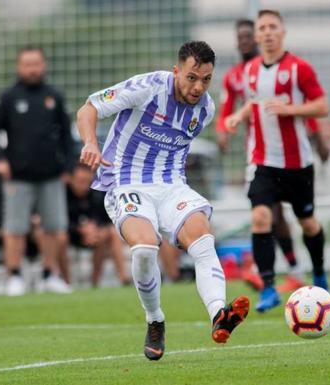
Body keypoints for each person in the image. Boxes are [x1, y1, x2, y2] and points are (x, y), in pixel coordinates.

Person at [77, 41, 249, 361]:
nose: (198, 87)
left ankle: (218, 315)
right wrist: (90, 142)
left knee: (202, 238)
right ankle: (155, 320)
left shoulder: (206, 110)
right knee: (144, 249)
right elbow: (88, 108)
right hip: (126, 181)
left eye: (206, 79)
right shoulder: (148, 87)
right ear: (176, 71)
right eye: (191, 77)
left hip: (171, 186)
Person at [225, 9, 330, 313]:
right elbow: (253, 103)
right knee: (261, 218)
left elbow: (322, 106)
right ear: (257, 36)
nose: (268, 32)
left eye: (273, 27)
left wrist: (291, 110)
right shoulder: (249, 72)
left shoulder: (300, 69)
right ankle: (269, 288)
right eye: (263, 28)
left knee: (307, 223)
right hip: (262, 160)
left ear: (282, 32)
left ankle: (320, 273)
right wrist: (237, 116)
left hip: (297, 163)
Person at [0, 45, 74, 296]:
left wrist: (68, 166)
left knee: (53, 227)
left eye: (36, 63)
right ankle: (14, 276)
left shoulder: (54, 96)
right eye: (27, 64)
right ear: (19, 66)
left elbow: (67, 136)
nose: (32, 69)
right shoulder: (9, 97)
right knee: (15, 228)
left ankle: (50, 274)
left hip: (51, 174)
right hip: (18, 175)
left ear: (43, 65)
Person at [59, 163, 131, 287]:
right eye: (80, 181)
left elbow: (107, 219)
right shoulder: (62, 196)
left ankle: (114, 279)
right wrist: (79, 229)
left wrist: (94, 229)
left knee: (109, 233)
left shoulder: (97, 194)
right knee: (60, 237)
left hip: (94, 235)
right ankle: (66, 283)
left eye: (87, 182)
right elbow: (58, 222)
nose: (84, 186)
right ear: (71, 179)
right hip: (71, 234)